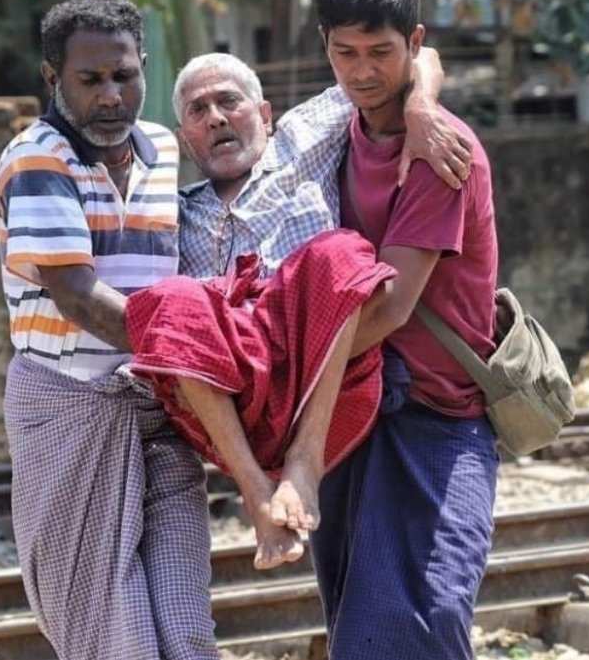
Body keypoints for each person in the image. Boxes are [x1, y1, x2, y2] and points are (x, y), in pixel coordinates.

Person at [124, 50, 468, 570]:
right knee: (168, 300)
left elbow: (417, 55)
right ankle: (258, 495)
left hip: (325, 375)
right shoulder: (172, 212)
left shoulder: (301, 139)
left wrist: (420, 108)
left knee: (339, 252)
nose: (215, 117)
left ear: (264, 114)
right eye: (198, 111)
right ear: (185, 138)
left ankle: (303, 467)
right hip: (238, 396)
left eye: (229, 102)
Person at [0, 0, 217, 660]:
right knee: (115, 640)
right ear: (51, 78)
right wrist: (200, 349)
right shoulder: (39, 158)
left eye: (125, 75)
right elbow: (79, 296)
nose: (112, 96)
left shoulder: (164, 153)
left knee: (187, 631)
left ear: (144, 64)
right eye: (90, 81)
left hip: (157, 407)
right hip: (72, 408)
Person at [308, 0, 500, 660]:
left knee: (423, 619)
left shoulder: (442, 152)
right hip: (355, 410)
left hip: (433, 416)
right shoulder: (334, 127)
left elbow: (389, 307)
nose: (362, 72)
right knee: (355, 622)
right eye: (345, 52)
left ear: (412, 44)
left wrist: (291, 361)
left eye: (381, 53)